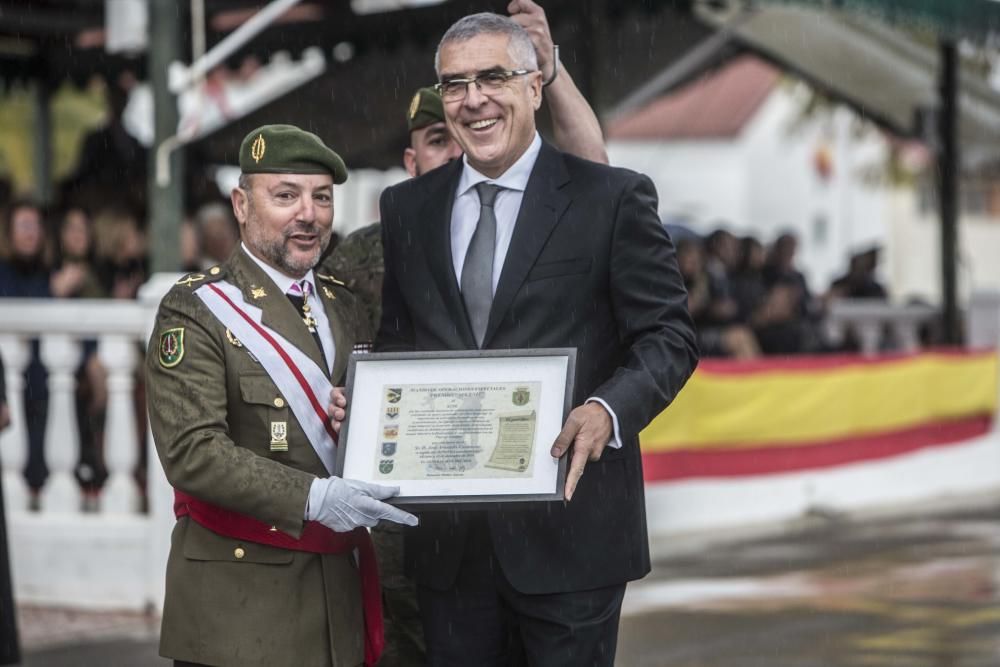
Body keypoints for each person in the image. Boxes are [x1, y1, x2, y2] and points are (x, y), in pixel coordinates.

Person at [377, 13, 698, 666]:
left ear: (534, 84)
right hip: (451, 548)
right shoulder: (406, 208)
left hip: (573, 536)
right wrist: (368, 401)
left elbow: (668, 337)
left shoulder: (611, 198)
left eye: (494, 77)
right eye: (456, 84)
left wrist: (607, 411)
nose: (474, 99)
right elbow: (398, 342)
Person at [325, 3, 609, 663]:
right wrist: (350, 401)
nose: (457, 139)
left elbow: (596, 169)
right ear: (411, 155)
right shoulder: (378, 242)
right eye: (435, 134)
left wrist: (552, 68)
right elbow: (345, 359)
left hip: (530, 506)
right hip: (419, 511)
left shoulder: (549, 211)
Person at [146, 124, 417, 667]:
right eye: (286, 196)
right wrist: (315, 498)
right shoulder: (196, 309)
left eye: (321, 197)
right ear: (242, 205)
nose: (309, 215)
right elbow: (192, 454)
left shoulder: (344, 304)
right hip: (242, 608)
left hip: (337, 591)